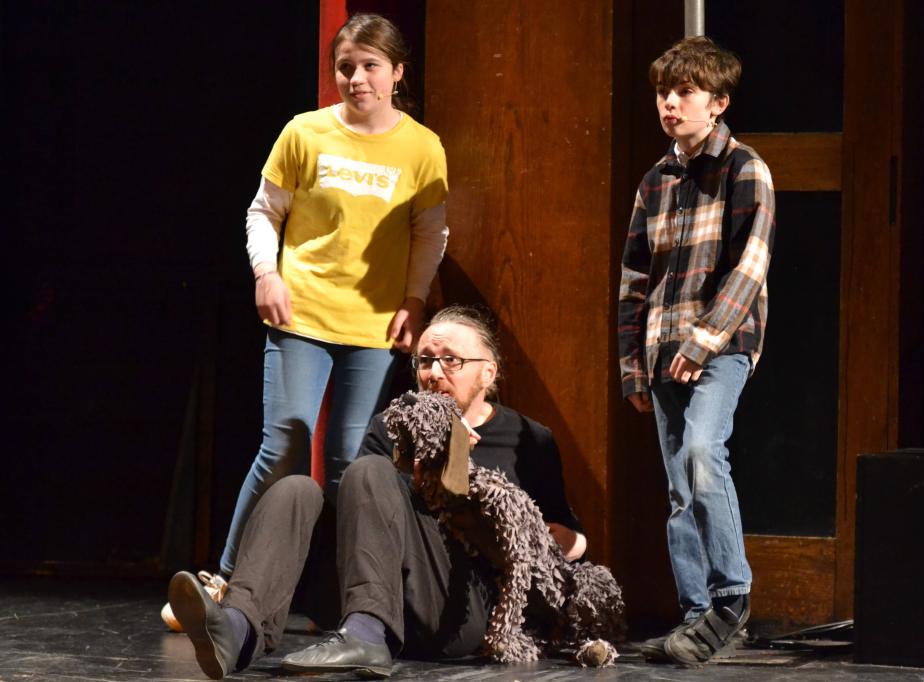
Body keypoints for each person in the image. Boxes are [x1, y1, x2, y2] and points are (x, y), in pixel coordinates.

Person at [161, 13, 449, 631]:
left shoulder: (422, 148)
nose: (357, 78)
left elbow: (430, 233)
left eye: (370, 65)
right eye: (345, 67)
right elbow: (264, 212)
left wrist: (415, 300)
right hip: (303, 314)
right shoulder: (304, 132)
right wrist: (267, 274)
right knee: (285, 444)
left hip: (374, 327)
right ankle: (226, 584)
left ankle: (342, 602)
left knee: (351, 466)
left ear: (398, 72)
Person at [167, 305, 588, 679]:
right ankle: (238, 630)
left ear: (487, 373)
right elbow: (363, 510)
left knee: (369, 470)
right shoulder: (392, 426)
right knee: (297, 490)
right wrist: (411, 473)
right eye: (425, 361)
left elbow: (571, 541)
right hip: (374, 592)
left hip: (454, 610)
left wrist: (493, 510)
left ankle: (367, 633)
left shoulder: (528, 439)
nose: (434, 373)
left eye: (451, 360)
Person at [617, 36, 775, 666]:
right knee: (679, 484)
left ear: (718, 102)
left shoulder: (743, 168)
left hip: (723, 344)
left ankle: (731, 598)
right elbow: (635, 280)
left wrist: (703, 341)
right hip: (661, 350)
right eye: (663, 92)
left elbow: (749, 266)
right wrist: (634, 367)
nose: (670, 103)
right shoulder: (655, 181)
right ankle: (696, 615)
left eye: (684, 92)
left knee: (705, 453)